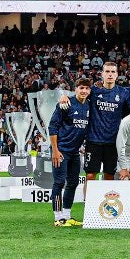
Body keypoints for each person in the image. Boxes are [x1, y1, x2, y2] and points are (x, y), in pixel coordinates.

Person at [48, 78, 90, 227]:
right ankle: (57, 218)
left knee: (72, 183)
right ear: (75, 89)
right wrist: (55, 150)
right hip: (61, 150)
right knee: (59, 182)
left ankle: (67, 216)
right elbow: (52, 127)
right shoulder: (66, 104)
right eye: (81, 88)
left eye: (86, 88)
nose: (84, 91)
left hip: (74, 152)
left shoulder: (89, 105)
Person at [84, 61, 129, 182]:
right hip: (93, 141)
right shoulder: (93, 90)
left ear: (117, 75)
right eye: (107, 71)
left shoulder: (123, 92)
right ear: (102, 74)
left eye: (113, 72)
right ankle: (88, 196)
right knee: (90, 176)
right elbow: (79, 97)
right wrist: (65, 97)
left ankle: (106, 196)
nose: (110, 74)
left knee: (109, 176)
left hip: (113, 142)